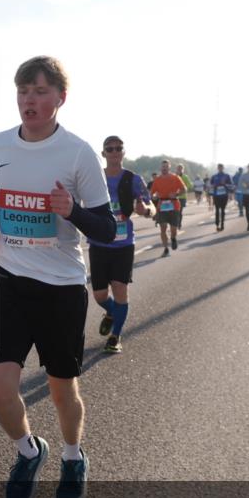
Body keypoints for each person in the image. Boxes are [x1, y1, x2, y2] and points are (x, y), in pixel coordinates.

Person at [0, 55, 115, 498]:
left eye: (38, 92)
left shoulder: (78, 153)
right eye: (22, 91)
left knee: (61, 389)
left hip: (61, 288)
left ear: (60, 98)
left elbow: (107, 229)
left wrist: (71, 210)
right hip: (9, 282)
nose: (28, 101)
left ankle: (73, 456)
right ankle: (29, 450)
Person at [88, 136, 151, 354]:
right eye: (110, 149)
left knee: (120, 289)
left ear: (123, 152)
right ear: (103, 153)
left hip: (123, 244)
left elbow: (150, 205)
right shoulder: (95, 178)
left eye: (118, 148)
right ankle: (112, 311)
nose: (114, 152)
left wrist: (146, 210)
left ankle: (115, 336)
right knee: (99, 295)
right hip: (99, 242)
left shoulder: (133, 179)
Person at [149, 160, 186, 256]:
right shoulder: (157, 180)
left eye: (166, 166)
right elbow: (152, 193)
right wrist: (154, 196)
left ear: (169, 168)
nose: (164, 168)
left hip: (174, 205)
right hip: (162, 206)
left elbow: (184, 189)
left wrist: (177, 194)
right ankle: (166, 248)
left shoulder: (175, 177)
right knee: (163, 228)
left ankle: (173, 238)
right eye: (162, 166)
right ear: (160, 168)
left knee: (173, 229)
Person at [209, 164, 232, 230]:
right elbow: (211, 184)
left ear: (223, 168)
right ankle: (217, 224)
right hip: (216, 195)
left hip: (224, 195)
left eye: (221, 167)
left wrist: (224, 184)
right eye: (219, 167)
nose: (220, 168)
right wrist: (215, 185)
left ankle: (222, 224)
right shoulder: (214, 176)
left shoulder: (226, 176)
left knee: (222, 210)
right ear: (217, 168)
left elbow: (230, 184)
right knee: (217, 209)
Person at [175, 164, 193, 228]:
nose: (179, 170)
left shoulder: (185, 177)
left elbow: (190, 185)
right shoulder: (174, 176)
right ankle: (175, 224)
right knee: (175, 212)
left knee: (179, 211)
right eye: (178, 169)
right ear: (176, 169)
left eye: (181, 169)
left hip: (182, 197)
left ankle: (179, 224)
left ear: (183, 170)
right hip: (175, 197)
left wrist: (184, 189)